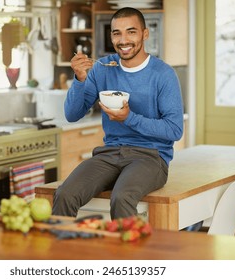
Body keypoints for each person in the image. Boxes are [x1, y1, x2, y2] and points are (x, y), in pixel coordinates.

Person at [52, 7, 184, 219]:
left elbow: (175, 130)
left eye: (131, 32)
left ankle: (126, 251)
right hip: (110, 153)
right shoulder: (103, 67)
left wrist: (129, 118)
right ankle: (66, 249)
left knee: (122, 197)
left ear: (145, 33)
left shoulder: (163, 74)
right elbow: (72, 114)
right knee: (65, 194)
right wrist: (79, 78)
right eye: (117, 33)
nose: (123, 40)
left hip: (151, 157)